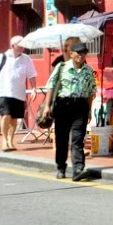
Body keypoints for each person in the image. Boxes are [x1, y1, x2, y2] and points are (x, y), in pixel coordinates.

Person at [40, 41, 96, 181]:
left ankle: (78, 169)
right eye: (79, 53)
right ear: (71, 54)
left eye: (84, 53)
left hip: (80, 106)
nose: (82, 56)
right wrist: (47, 106)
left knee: (78, 139)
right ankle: (61, 167)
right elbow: (51, 86)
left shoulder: (88, 71)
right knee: (62, 138)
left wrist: (89, 110)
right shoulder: (61, 67)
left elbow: (91, 93)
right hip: (63, 105)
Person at [0, 36, 36, 153]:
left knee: (14, 119)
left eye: (24, 45)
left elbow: (32, 75)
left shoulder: (26, 59)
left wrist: (34, 88)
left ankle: (10, 140)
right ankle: (4, 140)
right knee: (6, 115)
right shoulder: (1, 57)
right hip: (4, 92)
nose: (23, 47)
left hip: (19, 93)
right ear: (13, 46)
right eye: (20, 45)